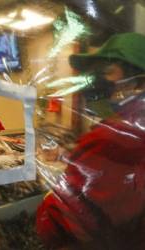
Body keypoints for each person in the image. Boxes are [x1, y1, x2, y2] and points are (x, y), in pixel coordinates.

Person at [36, 32, 145, 250]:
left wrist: (51, 196)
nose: (98, 79)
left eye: (107, 71)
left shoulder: (113, 137)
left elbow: (57, 223)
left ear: (136, 80)